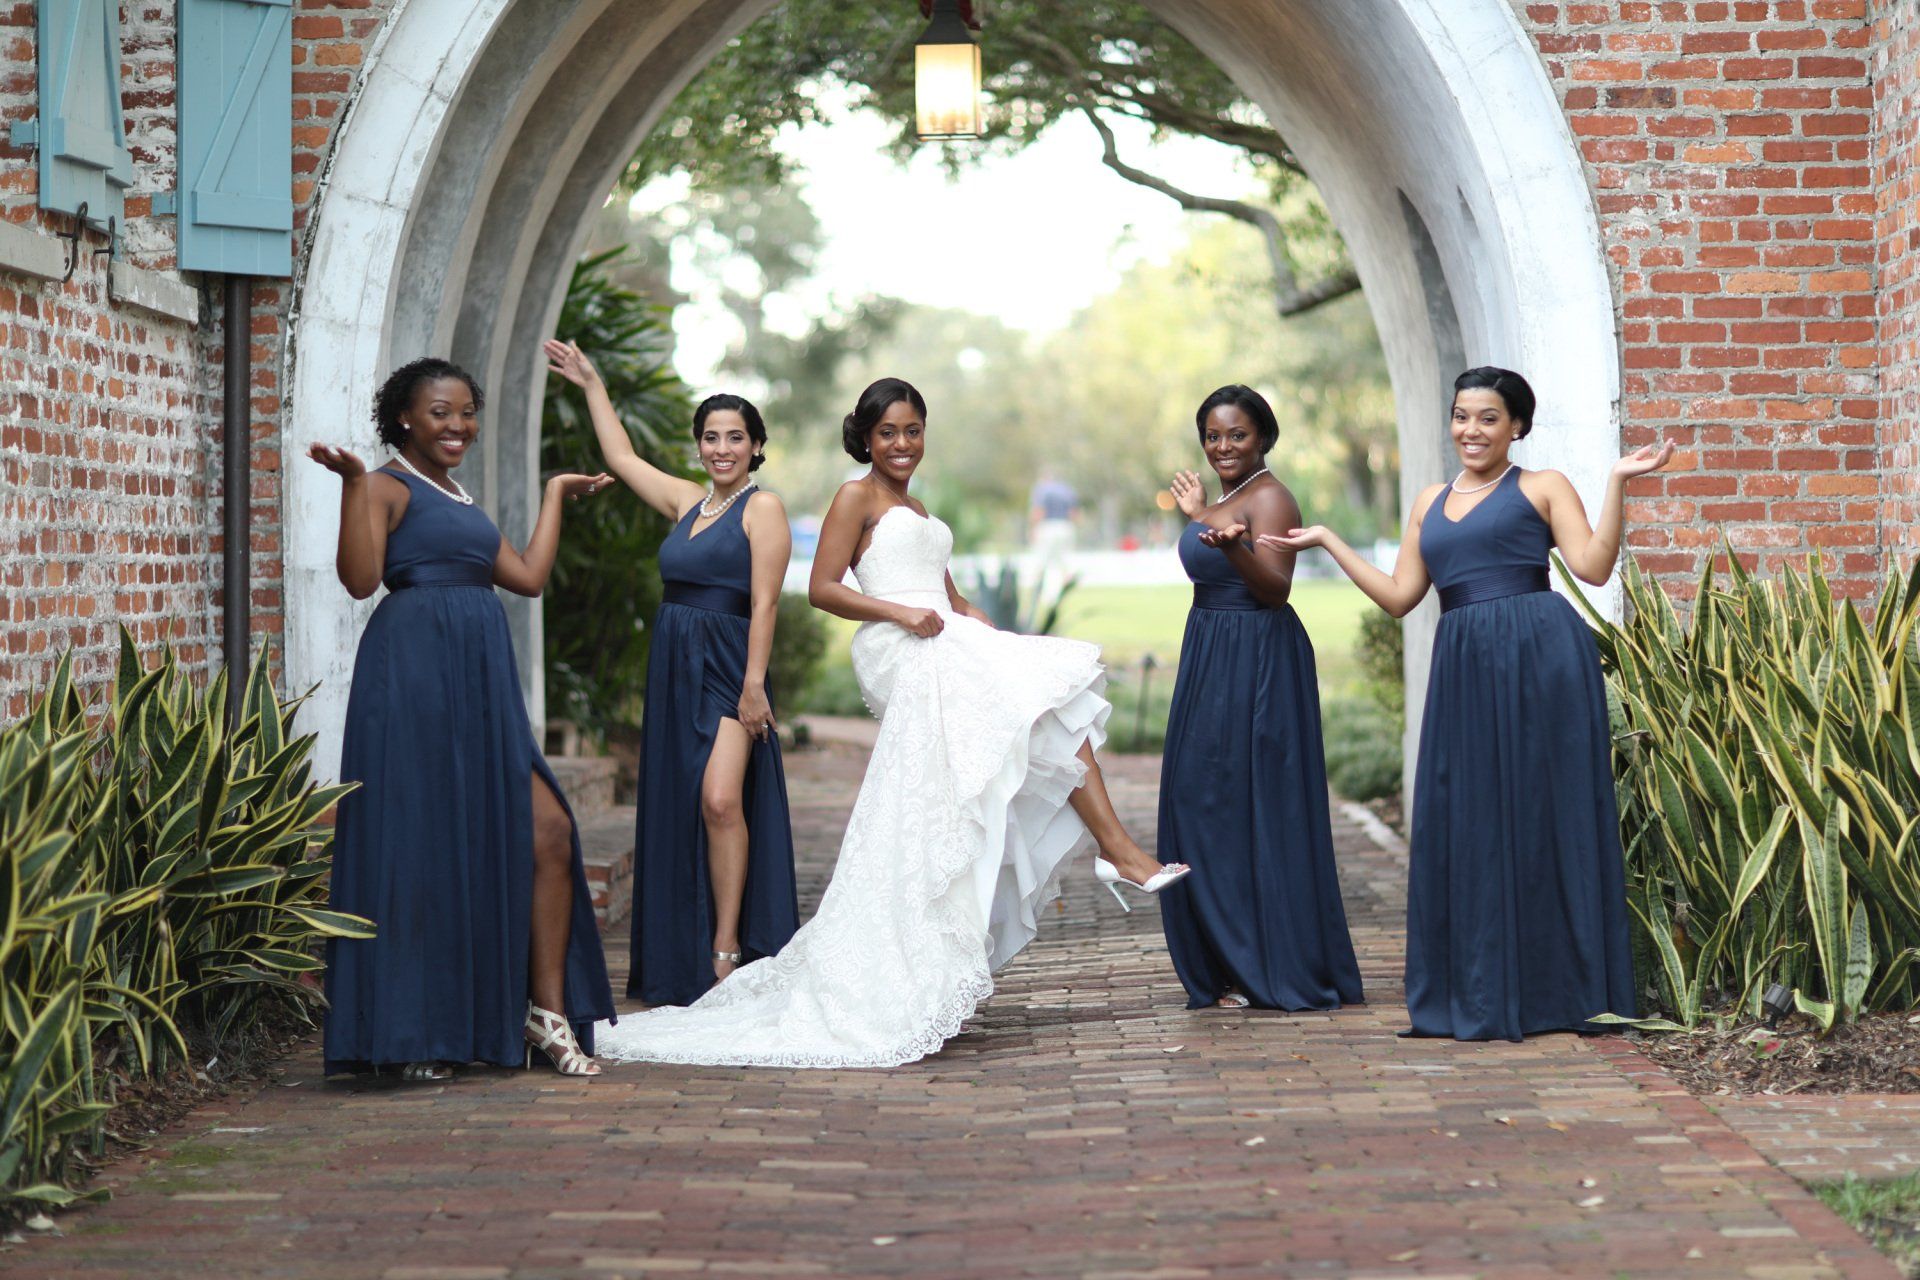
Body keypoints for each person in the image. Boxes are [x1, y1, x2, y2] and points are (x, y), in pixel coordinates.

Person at [592, 377, 1190, 1069]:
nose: (902, 444)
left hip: (939, 631)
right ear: (866, 439)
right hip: (897, 642)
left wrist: (969, 612)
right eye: (888, 433)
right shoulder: (856, 497)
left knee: (1039, 714)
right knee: (1038, 704)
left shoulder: (917, 506)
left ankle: (1091, 862)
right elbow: (823, 588)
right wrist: (901, 614)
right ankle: (1117, 847)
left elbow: (944, 589)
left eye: (912, 431)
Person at [1263, 367, 1670, 1041]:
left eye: (1488, 418)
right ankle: (1485, 987)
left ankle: (1560, 991)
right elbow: (1400, 598)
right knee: (1470, 821)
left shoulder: (1542, 487)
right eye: (1461, 416)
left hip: (1542, 661)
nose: (1471, 430)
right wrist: (1329, 541)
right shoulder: (1428, 500)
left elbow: (1594, 568)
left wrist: (1618, 482)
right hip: (1464, 667)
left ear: (1516, 426)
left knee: (1544, 817)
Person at [312, 356, 616, 1080]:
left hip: (480, 688)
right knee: (418, 848)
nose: (458, 425)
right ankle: (414, 1033)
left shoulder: (458, 496)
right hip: (413, 679)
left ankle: (543, 1012)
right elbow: (360, 580)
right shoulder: (385, 485)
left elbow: (528, 578)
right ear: (406, 418)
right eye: (440, 412)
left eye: (466, 412)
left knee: (547, 830)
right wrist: (354, 485)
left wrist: (553, 495)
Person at [542, 340, 800, 1007]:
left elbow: (765, 602)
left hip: (729, 668)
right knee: (685, 806)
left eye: (735, 438)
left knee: (721, 800)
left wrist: (753, 686)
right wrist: (592, 383)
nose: (722, 448)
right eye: (711, 437)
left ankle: (727, 947)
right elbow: (622, 458)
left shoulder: (762, 508)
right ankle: (685, 954)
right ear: (699, 446)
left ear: (756, 446)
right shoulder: (688, 501)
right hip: (675, 666)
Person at [1157, 386, 1364, 1012]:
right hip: (1211, 651)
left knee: (1251, 806)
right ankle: (1224, 960)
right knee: (1201, 799)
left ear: (1263, 438)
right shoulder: (1225, 498)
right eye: (1213, 436)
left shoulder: (1272, 497)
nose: (1223, 446)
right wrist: (1205, 521)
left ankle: (1264, 965)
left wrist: (1215, 533)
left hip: (1257, 655)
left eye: (1237, 435)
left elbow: (1275, 589)